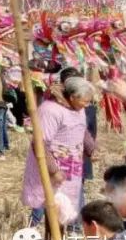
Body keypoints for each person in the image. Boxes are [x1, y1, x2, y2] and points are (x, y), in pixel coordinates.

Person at [23, 76, 94, 228]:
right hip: (53, 168)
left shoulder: (78, 108)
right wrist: (54, 170)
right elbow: (39, 142)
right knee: (51, 207)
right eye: (85, 101)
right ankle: (40, 235)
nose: (87, 105)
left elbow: (82, 129)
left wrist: (91, 149)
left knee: (63, 211)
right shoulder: (50, 110)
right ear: (73, 97)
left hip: (71, 167)